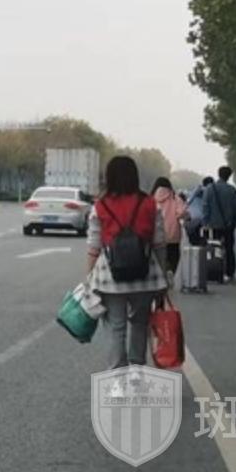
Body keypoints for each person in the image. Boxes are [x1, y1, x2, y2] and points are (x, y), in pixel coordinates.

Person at [86, 156, 171, 370]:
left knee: (116, 326)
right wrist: (163, 278)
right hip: (145, 275)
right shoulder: (149, 204)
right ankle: (137, 370)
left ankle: (118, 374)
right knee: (140, 323)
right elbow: (160, 244)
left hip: (110, 277)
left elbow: (94, 247)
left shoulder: (100, 205)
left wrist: (89, 277)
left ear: (109, 177)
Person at [202, 166, 236, 283]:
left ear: (218, 174)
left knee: (215, 248)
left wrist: (205, 222)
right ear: (229, 176)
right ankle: (230, 273)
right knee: (229, 249)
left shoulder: (209, 189)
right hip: (229, 225)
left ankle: (216, 271)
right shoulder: (232, 190)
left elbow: (205, 207)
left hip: (214, 225)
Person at [151, 176, 187, 274]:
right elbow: (182, 212)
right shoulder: (175, 198)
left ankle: (163, 276)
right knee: (173, 259)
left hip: (157, 235)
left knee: (159, 262)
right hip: (173, 235)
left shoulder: (151, 198)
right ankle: (171, 274)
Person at [184, 176, 213, 245]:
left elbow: (189, 201)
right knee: (204, 234)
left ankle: (199, 243)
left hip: (196, 217)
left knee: (195, 233)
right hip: (202, 217)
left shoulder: (199, 190)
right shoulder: (204, 190)